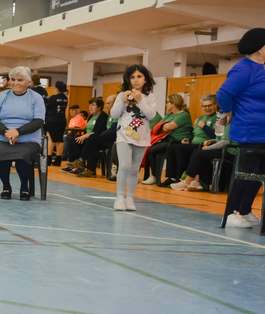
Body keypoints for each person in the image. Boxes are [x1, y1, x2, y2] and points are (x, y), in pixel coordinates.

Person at [217, 28, 265, 229]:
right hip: (249, 130)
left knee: (260, 171)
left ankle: (244, 210)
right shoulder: (244, 68)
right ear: (260, 49)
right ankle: (231, 213)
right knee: (247, 172)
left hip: (263, 132)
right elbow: (223, 93)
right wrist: (229, 112)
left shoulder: (259, 68)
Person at [0, 67, 46, 200]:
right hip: (4, 137)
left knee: (23, 155)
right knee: (1, 153)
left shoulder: (36, 98)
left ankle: (24, 187)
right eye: (13, 79)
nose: (15, 83)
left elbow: (38, 122)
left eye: (20, 80)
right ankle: (6, 187)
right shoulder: (1, 96)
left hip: (29, 139)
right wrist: (7, 132)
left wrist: (17, 132)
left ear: (28, 82)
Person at [110, 64, 158, 211]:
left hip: (141, 136)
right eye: (132, 77)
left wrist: (140, 100)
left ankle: (130, 198)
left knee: (134, 169)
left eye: (139, 76)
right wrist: (123, 101)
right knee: (124, 166)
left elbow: (151, 115)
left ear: (145, 79)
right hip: (123, 135)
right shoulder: (121, 95)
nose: (136, 80)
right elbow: (114, 114)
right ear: (128, 79)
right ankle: (119, 198)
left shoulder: (150, 97)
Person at [163, 94, 218, 188]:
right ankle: (172, 177)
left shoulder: (216, 118)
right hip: (193, 143)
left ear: (215, 105)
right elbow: (194, 133)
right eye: (205, 106)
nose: (207, 108)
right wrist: (188, 139)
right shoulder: (201, 118)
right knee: (171, 148)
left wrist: (204, 127)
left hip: (204, 144)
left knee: (180, 148)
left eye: (209, 105)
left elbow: (216, 135)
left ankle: (181, 178)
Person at [170, 115, 232, 192]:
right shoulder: (223, 123)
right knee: (197, 151)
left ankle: (187, 181)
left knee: (199, 154)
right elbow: (219, 139)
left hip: (230, 151)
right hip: (223, 149)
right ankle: (196, 181)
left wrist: (208, 148)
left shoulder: (229, 124)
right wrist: (211, 141)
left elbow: (225, 142)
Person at [141, 93, 191, 186]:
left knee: (152, 150)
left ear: (174, 103)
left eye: (167, 102)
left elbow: (168, 127)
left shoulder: (184, 115)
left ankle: (155, 176)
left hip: (177, 140)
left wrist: (163, 126)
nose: (166, 104)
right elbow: (158, 126)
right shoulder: (169, 115)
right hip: (167, 139)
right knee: (148, 147)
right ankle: (149, 174)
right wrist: (163, 126)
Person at [72, 95, 118, 178]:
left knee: (92, 138)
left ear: (115, 104)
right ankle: (90, 170)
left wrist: (100, 136)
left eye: (108, 103)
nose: (106, 106)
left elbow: (113, 130)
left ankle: (81, 161)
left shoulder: (115, 115)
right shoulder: (111, 114)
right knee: (90, 141)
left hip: (113, 140)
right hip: (106, 138)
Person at [61, 97, 108, 172]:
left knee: (82, 141)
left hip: (96, 139)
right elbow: (86, 130)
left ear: (99, 107)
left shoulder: (103, 116)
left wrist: (85, 136)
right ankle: (73, 164)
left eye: (93, 105)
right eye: (89, 105)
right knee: (74, 140)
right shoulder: (91, 116)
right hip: (87, 137)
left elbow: (99, 131)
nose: (90, 107)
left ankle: (80, 163)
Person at [44, 81, 69, 166]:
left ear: (56, 88)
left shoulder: (52, 98)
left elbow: (47, 108)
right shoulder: (65, 98)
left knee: (50, 138)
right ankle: (58, 159)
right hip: (62, 119)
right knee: (60, 139)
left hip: (52, 120)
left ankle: (48, 159)